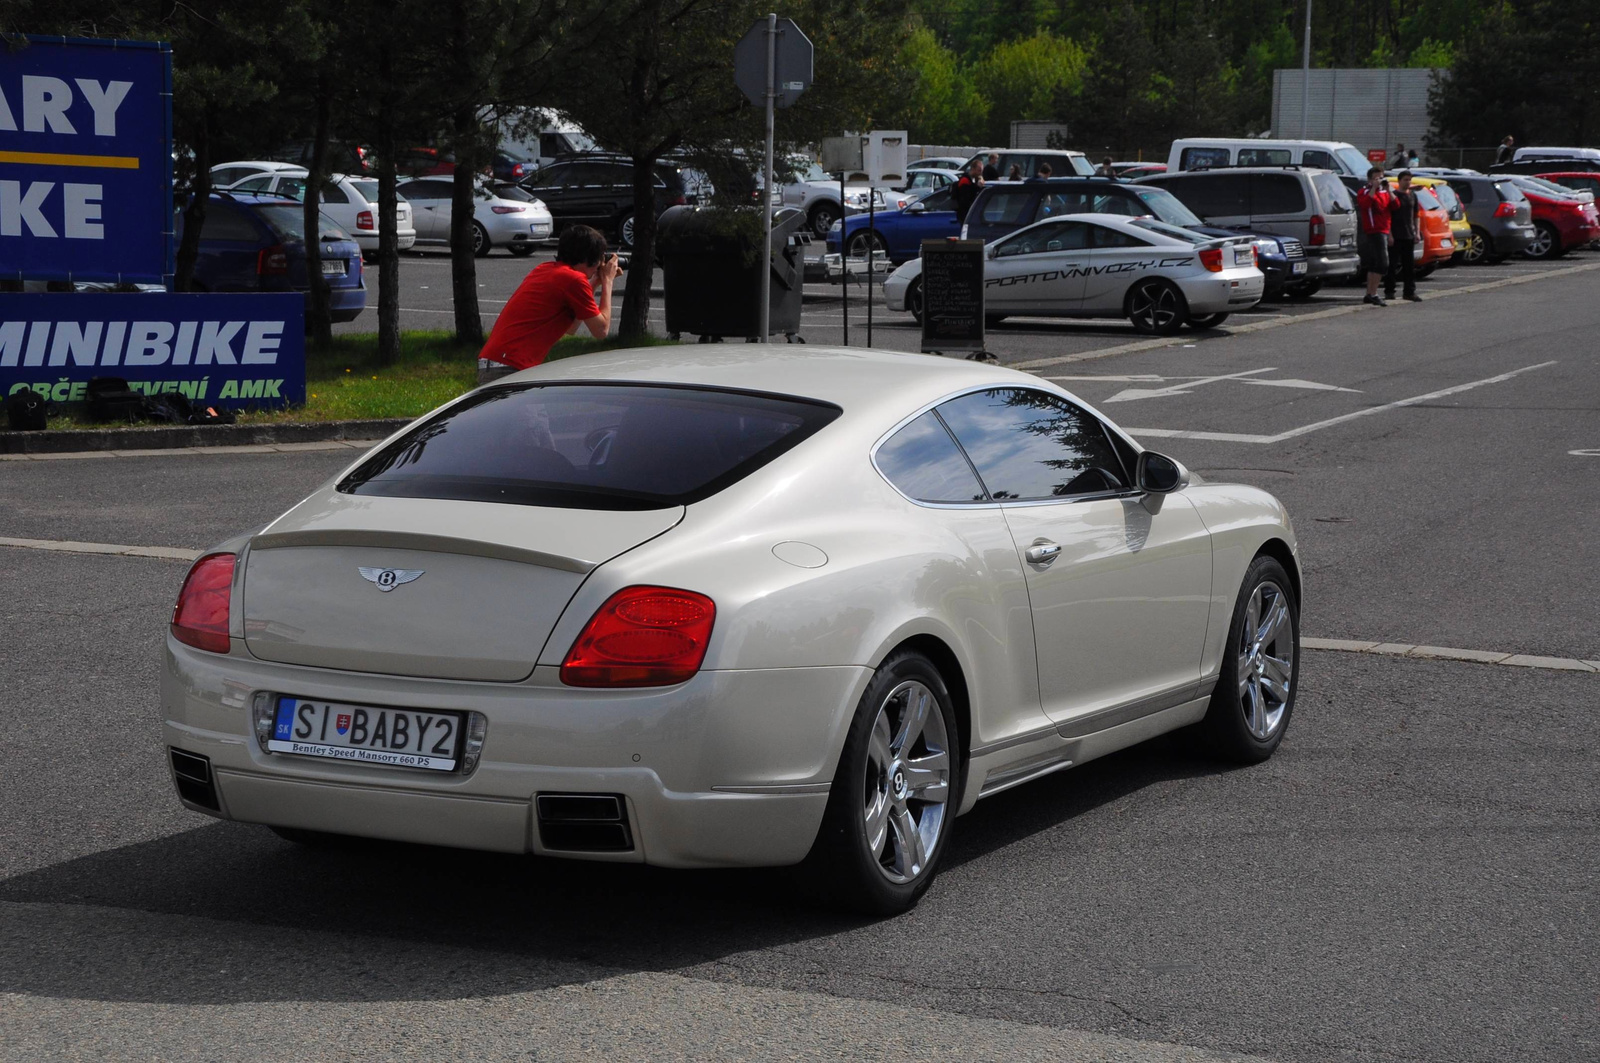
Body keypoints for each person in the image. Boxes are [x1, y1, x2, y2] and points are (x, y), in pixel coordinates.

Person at [476, 224, 621, 384]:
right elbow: (601, 330)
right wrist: (608, 281)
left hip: (498, 362)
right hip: (509, 366)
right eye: (599, 260)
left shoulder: (545, 269)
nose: (599, 266)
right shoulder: (574, 280)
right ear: (589, 258)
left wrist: (594, 283)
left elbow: (571, 328)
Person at [1354, 166, 1395, 307]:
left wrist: (1388, 189)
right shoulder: (1364, 192)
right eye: (1376, 178)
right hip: (1374, 231)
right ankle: (1373, 293)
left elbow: (1395, 206)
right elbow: (1365, 204)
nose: (1379, 181)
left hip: (1384, 230)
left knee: (1375, 263)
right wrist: (1373, 188)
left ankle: (1370, 293)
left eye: (1381, 177)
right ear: (1370, 179)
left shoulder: (1384, 193)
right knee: (1382, 264)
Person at [1384, 171, 1422, 303]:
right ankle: (1389, 291)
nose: (1408, 182)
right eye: (1405, 180)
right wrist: (1390, 235)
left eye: (1409, 180)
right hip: (1395, 235)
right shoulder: (1393, 195)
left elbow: (1416, 215)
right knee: (1392, 265)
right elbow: (1387, 216)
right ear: (1399, 181)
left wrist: (1417, 232)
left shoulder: (1412, 195)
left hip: (1408, 235)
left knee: (1409, 266)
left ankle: (1409, 292)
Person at [952, 159, 985, 225]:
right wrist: (977, 187)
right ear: (973, 169)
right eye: (979, 171)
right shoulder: (965, 181)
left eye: (981, 171)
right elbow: (965, 200)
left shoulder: (973, 180)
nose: (980, 173)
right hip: (964, 215)